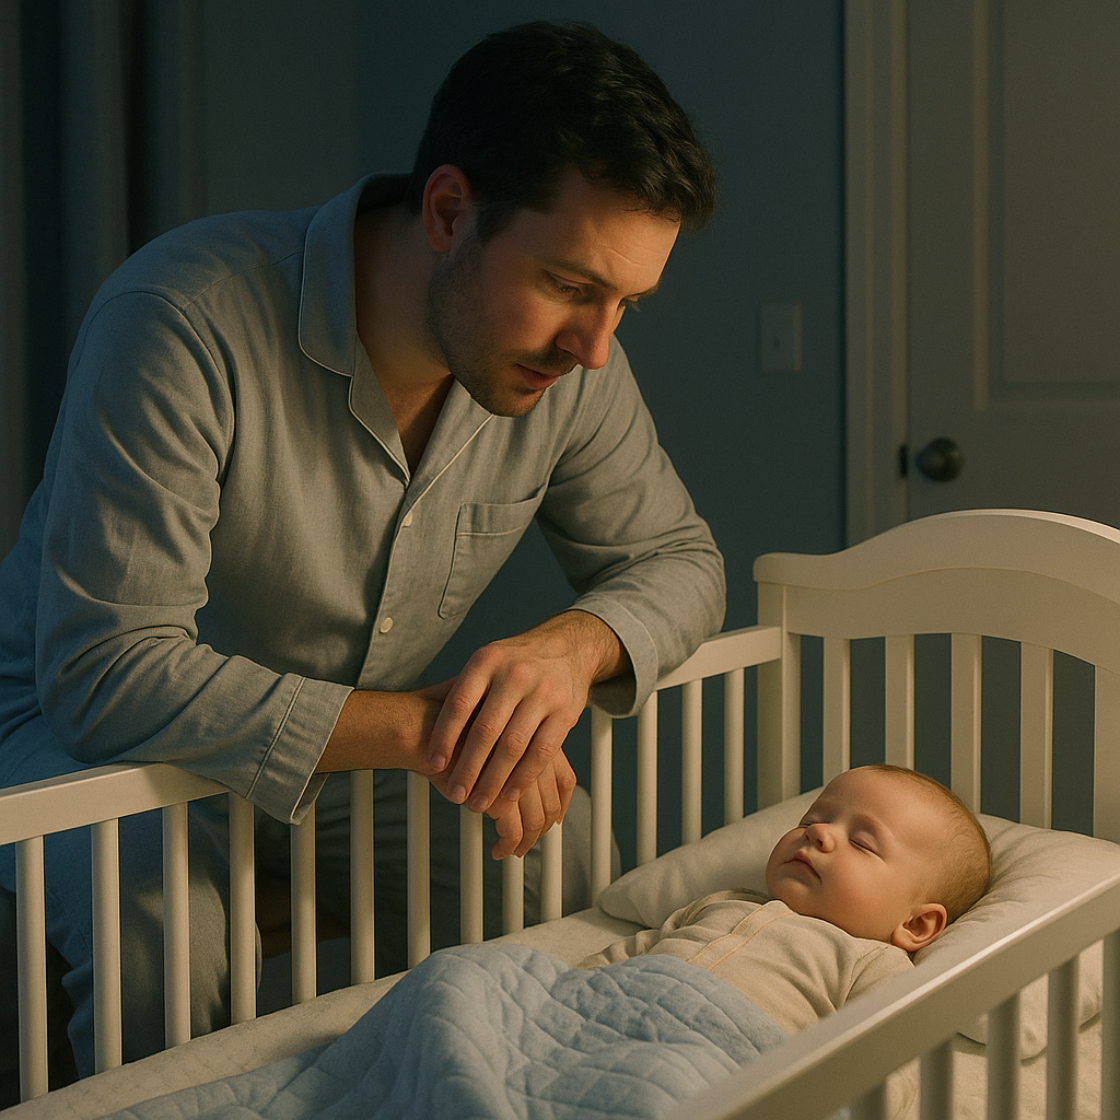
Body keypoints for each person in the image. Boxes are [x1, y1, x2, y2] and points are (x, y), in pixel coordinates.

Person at [0, 19, 725, 1086]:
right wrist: (436, 725)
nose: (597, 346)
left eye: (627, 302)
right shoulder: (181, 320)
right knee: (162, 928)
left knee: (551, 855)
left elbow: (678, 555)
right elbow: (103, 672)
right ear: (447, 211)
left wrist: (573, 647)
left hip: (358, 744)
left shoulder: (571, 367)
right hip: (98, 751)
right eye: (572, 285)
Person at [579, 765, 992, 1035]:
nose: (819, 833)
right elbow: (632, 951)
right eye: (812, 820)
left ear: (915, 925)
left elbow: (884, 1059)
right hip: (611, 1011)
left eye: (862, 843)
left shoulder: (870, 962)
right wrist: (559, 989)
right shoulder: (722, 903)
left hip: (716, 1052)